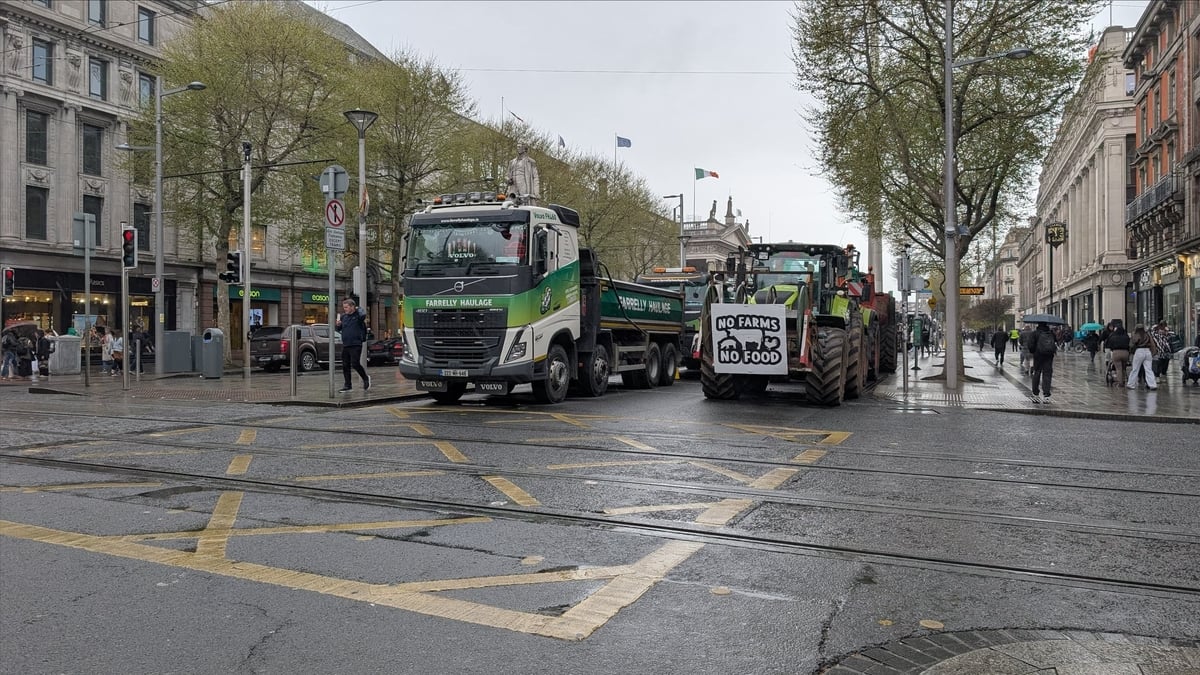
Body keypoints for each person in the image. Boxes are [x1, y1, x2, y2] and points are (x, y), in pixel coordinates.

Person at [335, 297, 370, 393]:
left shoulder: (358, 316)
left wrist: (358, 308)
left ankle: (365, 378)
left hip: (356, 344)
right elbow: (338, 329)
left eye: (346, 307)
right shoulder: (343, 317)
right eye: (344, 307)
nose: (344, 309)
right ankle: (347, 385)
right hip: (346, 344)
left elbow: (363, 315)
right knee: (345, 365)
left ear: (352, 307)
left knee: (355, 363)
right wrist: (338, 325)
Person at [1024, 322, 1058, 403]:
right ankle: (1046, 395)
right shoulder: (1051, 333)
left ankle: (1035, 394)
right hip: (1049, 356)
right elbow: (1055, 342)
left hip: (1038, 355)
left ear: (1038, 325)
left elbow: (1030, 346)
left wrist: (1034, 351)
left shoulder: (1035, 333)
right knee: (1047, 374)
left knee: (1037, 373)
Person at [1126, 324, 1157, 390]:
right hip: (1148, 351)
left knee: (1135, 369)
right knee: (1149, 369)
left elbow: (1132, 344)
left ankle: (1131, 384)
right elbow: (1152, 344)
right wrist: (1153, 352)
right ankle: (1152, 385)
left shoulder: (1135, 334)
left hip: (1139, 351)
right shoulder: (1147, 334)